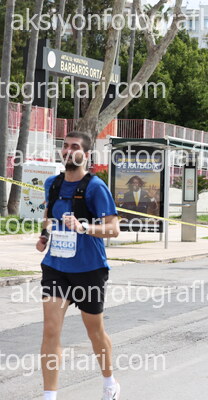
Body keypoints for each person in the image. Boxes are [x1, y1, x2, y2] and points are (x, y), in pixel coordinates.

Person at [35, 131, 121, 400]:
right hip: (56, 267)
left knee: (94, 330)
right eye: (65, 146)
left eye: (75, 147)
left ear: (86, 154)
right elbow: (49, 215)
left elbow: (113, 229)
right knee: (50, 329)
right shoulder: (52, 184)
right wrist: (44, 236)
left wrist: (84, 227)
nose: (68, 150)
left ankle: (109, 383)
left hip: (89, 268)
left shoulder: (95, 187)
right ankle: (49, 396)